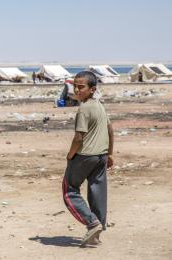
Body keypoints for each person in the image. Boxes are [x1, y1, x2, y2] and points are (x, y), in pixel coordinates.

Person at [62, 71, 114, 247]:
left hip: (85, 156)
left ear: (92, 89)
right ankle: (97, 232)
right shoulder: (99, 105)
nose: (77, 89)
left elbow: (78, 137)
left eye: (81, 86)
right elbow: (110, 130)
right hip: (101, 156)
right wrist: (110, 154)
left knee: (70, 190)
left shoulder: (84, 109)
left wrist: (70, 155)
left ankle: (92, 223)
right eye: (75, 85)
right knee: (97, 192)